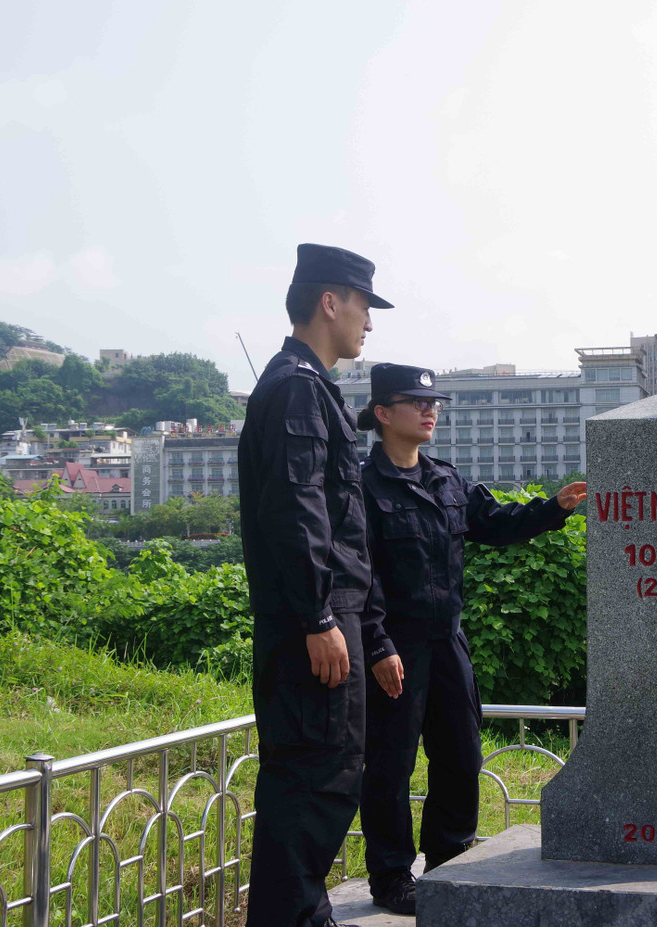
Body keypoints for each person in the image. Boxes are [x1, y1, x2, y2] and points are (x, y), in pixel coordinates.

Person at [354, 363, 587, 916]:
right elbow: (356, 574)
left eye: (434, 403)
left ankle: (446, 863)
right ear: (384, 414)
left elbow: (496, 522)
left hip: (447, 642)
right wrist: (378, 645)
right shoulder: (362, 487)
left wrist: (552, 510)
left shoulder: (447, 480)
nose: (430, 410)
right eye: (416, 402)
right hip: (394, 644)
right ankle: (391, 878)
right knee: (390, 765)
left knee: (460, 756)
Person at [240, 243, 393, 927]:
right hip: (316, 629)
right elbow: (296, 508)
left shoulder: (305, 383)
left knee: (318, 786)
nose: (368, 322)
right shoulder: (298, 386)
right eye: (363, 305)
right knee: (312, 784)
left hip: (330, 619)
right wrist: (319, 615)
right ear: (329, 303)